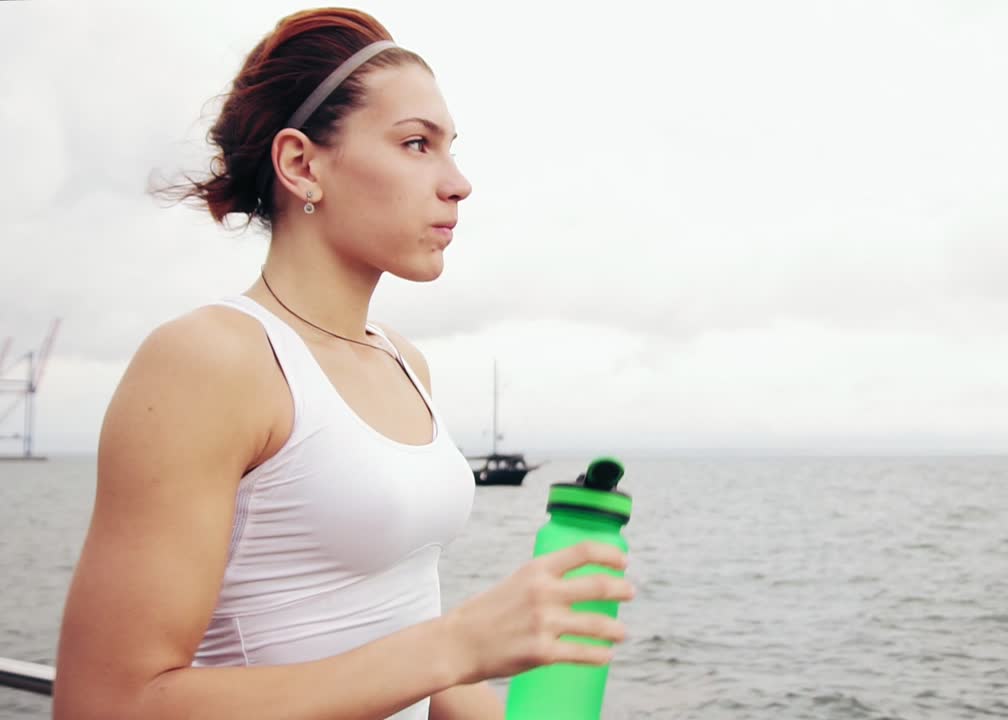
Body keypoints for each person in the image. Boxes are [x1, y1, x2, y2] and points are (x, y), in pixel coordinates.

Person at [52, 8, 634, 720]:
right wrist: (457, 642)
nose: (458, 183)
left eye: (451, 148)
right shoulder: (209, 361)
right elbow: (104, 703)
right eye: (417, 144)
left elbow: (398, 637)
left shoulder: (403, 362)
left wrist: (477, 673)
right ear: (302, 164)